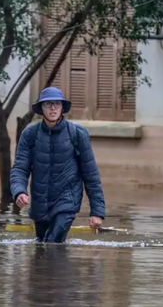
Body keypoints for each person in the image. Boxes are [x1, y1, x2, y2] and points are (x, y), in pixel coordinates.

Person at [10, 86, 106, 243]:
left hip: (67, 201)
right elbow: (20, 168)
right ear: (41, 108)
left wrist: (97, 212)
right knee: (42, 246)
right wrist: (19, 191)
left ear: (62, 108)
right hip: (40, 203)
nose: (53, 108)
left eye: (57, 104)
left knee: (53, 242)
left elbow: (91, 175)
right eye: (48, 104)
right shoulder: (30, 134)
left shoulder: (77, 134)